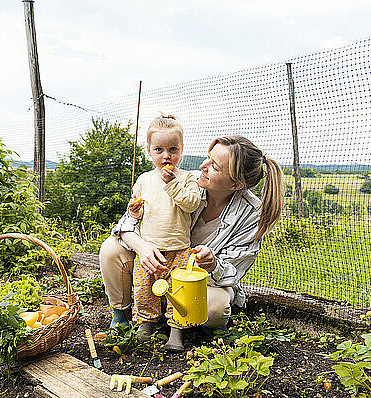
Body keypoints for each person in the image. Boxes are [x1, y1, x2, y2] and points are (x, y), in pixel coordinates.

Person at [100, 135, 284, 352]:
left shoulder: (252, 213)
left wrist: (212, 264)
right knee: (112, 249)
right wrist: (142, 246)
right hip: (156, 263)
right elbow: (126, 224)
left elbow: (233, 272)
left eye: (214, 166)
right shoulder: (184, 181)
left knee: (215, 308)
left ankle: (177, 316)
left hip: (200, 280)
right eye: (207, 158)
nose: (202, 166)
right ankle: (122, 313)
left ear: (236, 184)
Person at [127, 114, 201, 351]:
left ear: (181, 150)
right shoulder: (144, 179)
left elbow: (191, 204)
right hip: (151, 249)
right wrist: (135, 211)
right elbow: (137, 215)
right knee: (143, 288)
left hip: (179, 249)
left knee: (178, 291)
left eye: (172, 149)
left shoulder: (187, 178)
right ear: (149, 151)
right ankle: (145, 326)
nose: (166, 156)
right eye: (159, 149)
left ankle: (176, 334)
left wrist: (172, 184)